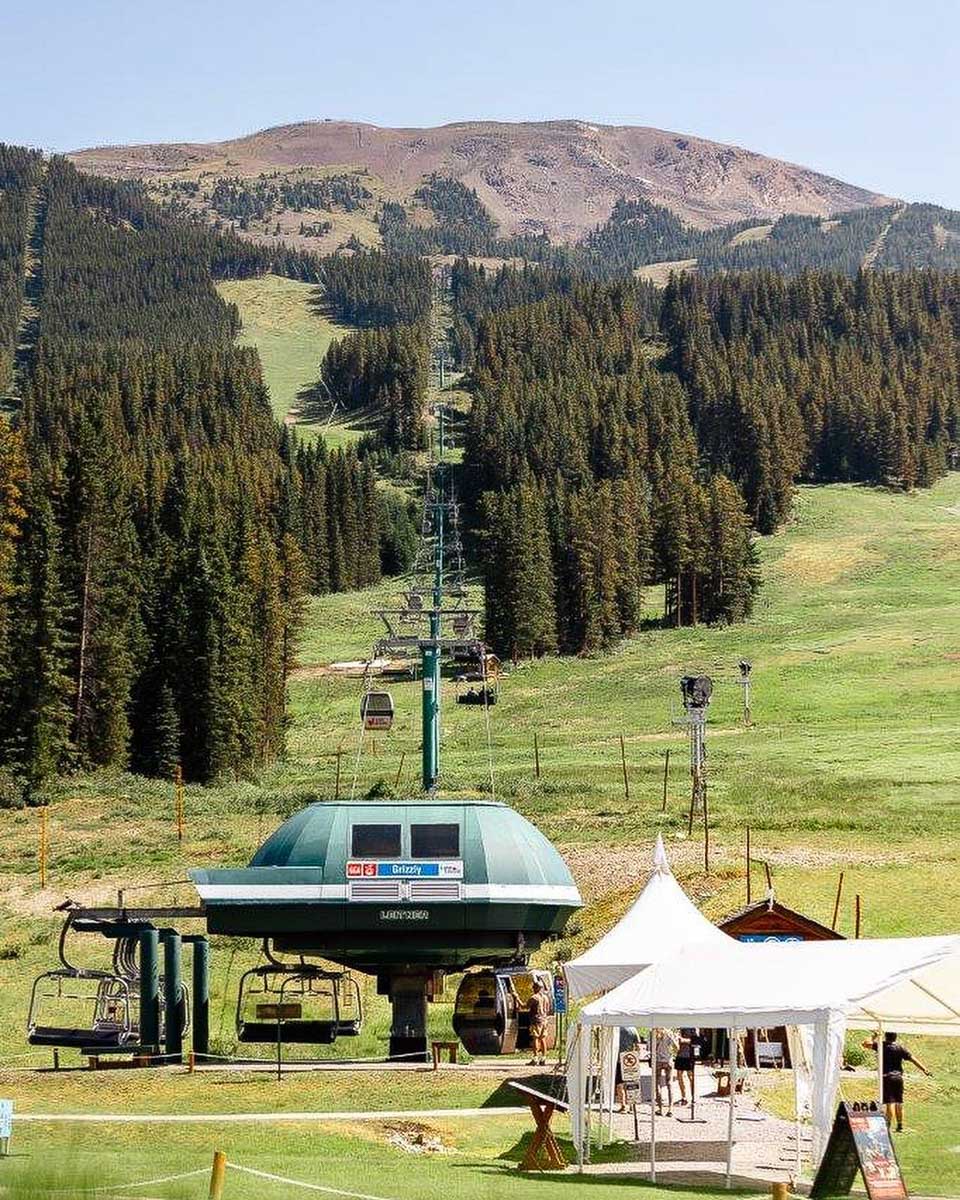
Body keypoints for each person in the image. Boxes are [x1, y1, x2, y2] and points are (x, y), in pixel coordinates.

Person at [861, 1031, 931, 1132]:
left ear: (885, 1037)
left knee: (890, 1103)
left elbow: (865, 1044)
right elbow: (913, 1059)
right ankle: (900, 1126)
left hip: (887, 1077)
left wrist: (874, 1035)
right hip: (898, 1078)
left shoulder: (881, 1045)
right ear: (895, 1037)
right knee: (899, 1102)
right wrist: (924, 1069)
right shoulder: (900, 1047)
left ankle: (887, 1127)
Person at [653, 1028, 680, 1116]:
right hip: (668, 1061)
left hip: (658, 1061)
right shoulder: (669, 1033)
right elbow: (677, 1047)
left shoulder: (653, 1033)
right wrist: (671, 1053)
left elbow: (649, 1048)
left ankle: (660, 1109)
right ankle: (670, 1109)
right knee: (669, 1084)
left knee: (657, 1084)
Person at [614, 1026, 640, 1112]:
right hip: (630, 1060)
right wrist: (636, 1057)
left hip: (618, 1059)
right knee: (631, 1084)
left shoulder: (616, 1029)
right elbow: (637, 1046)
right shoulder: (633, 1029)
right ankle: (632, 1105)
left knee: (619, 1084)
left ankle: (623, 1105)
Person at [527, 978, 550, 1066]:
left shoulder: (534, 998)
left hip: (536, 1021)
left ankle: (535, 1058)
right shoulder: (546, 997)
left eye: (533, 988)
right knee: (543, 1039)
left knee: (535, 1038)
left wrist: (516, 998)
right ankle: (543, 1058)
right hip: (544, 1020)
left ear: (536, 988)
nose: (533, 989)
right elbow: (547, 1010)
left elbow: (525, 1006)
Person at [675, 1027, 698, 1106]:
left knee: (690, 1077)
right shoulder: (679, 1028)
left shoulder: (692, 1028)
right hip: (679, 1055)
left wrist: (683, 1040)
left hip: (689, 1056)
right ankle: (683, 1096)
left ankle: (693, 1097)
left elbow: (696, 1040)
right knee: (679, 1076)